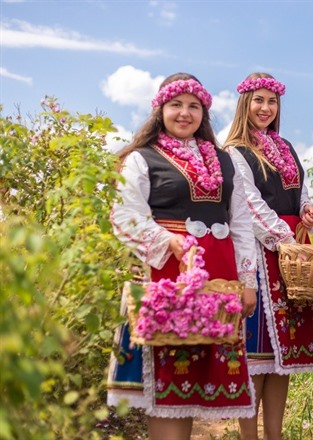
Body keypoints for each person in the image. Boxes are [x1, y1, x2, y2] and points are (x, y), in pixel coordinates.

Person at [106, 73, 258, 440]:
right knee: (170, 376)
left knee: (201, 379)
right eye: (176, 105)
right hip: (169, 272)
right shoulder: (141, 159)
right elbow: (124, 215)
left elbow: (240, 222)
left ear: (204, 113)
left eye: (194, 106)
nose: (185, 113)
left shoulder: (225, 161)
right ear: (160, 110)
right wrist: (166, 240)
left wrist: (248, 282)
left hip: (220, 275)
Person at [223, 72, 313, 440]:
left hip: (293, 252)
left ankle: (274, 435)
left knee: (283, 360)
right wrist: (286, 240)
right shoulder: (236, 151)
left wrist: (308, 211)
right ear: (245, 104)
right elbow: (250, 206)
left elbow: (302, 191)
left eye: (272, 101)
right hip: (263, 254)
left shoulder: (287, 147)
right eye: (259, 100)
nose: (266, 108)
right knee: (256, 356)